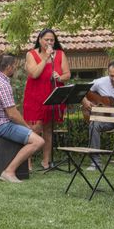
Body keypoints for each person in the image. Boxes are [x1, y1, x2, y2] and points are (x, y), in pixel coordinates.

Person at [0, 53, 45, 183]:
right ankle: (9, 171)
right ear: (8, 67)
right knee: (38, 141)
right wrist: (27, 127)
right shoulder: (3, 84)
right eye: (14, 66)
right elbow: (12, 114)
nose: (14, 68)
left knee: (23, 132)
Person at [23, 28, 71, 169]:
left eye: (52, 40)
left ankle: (46, 161)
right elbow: (34, 74)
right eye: (46, 40)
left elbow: (67, 74)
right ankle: (27, 161)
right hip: (35, 96)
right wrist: (45, 58)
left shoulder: (60, 54)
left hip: (53, 94)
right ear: (40, 40)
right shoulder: (31, 54)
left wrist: (59, 77)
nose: (49, 42)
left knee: (48, 129)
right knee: (34, 128)